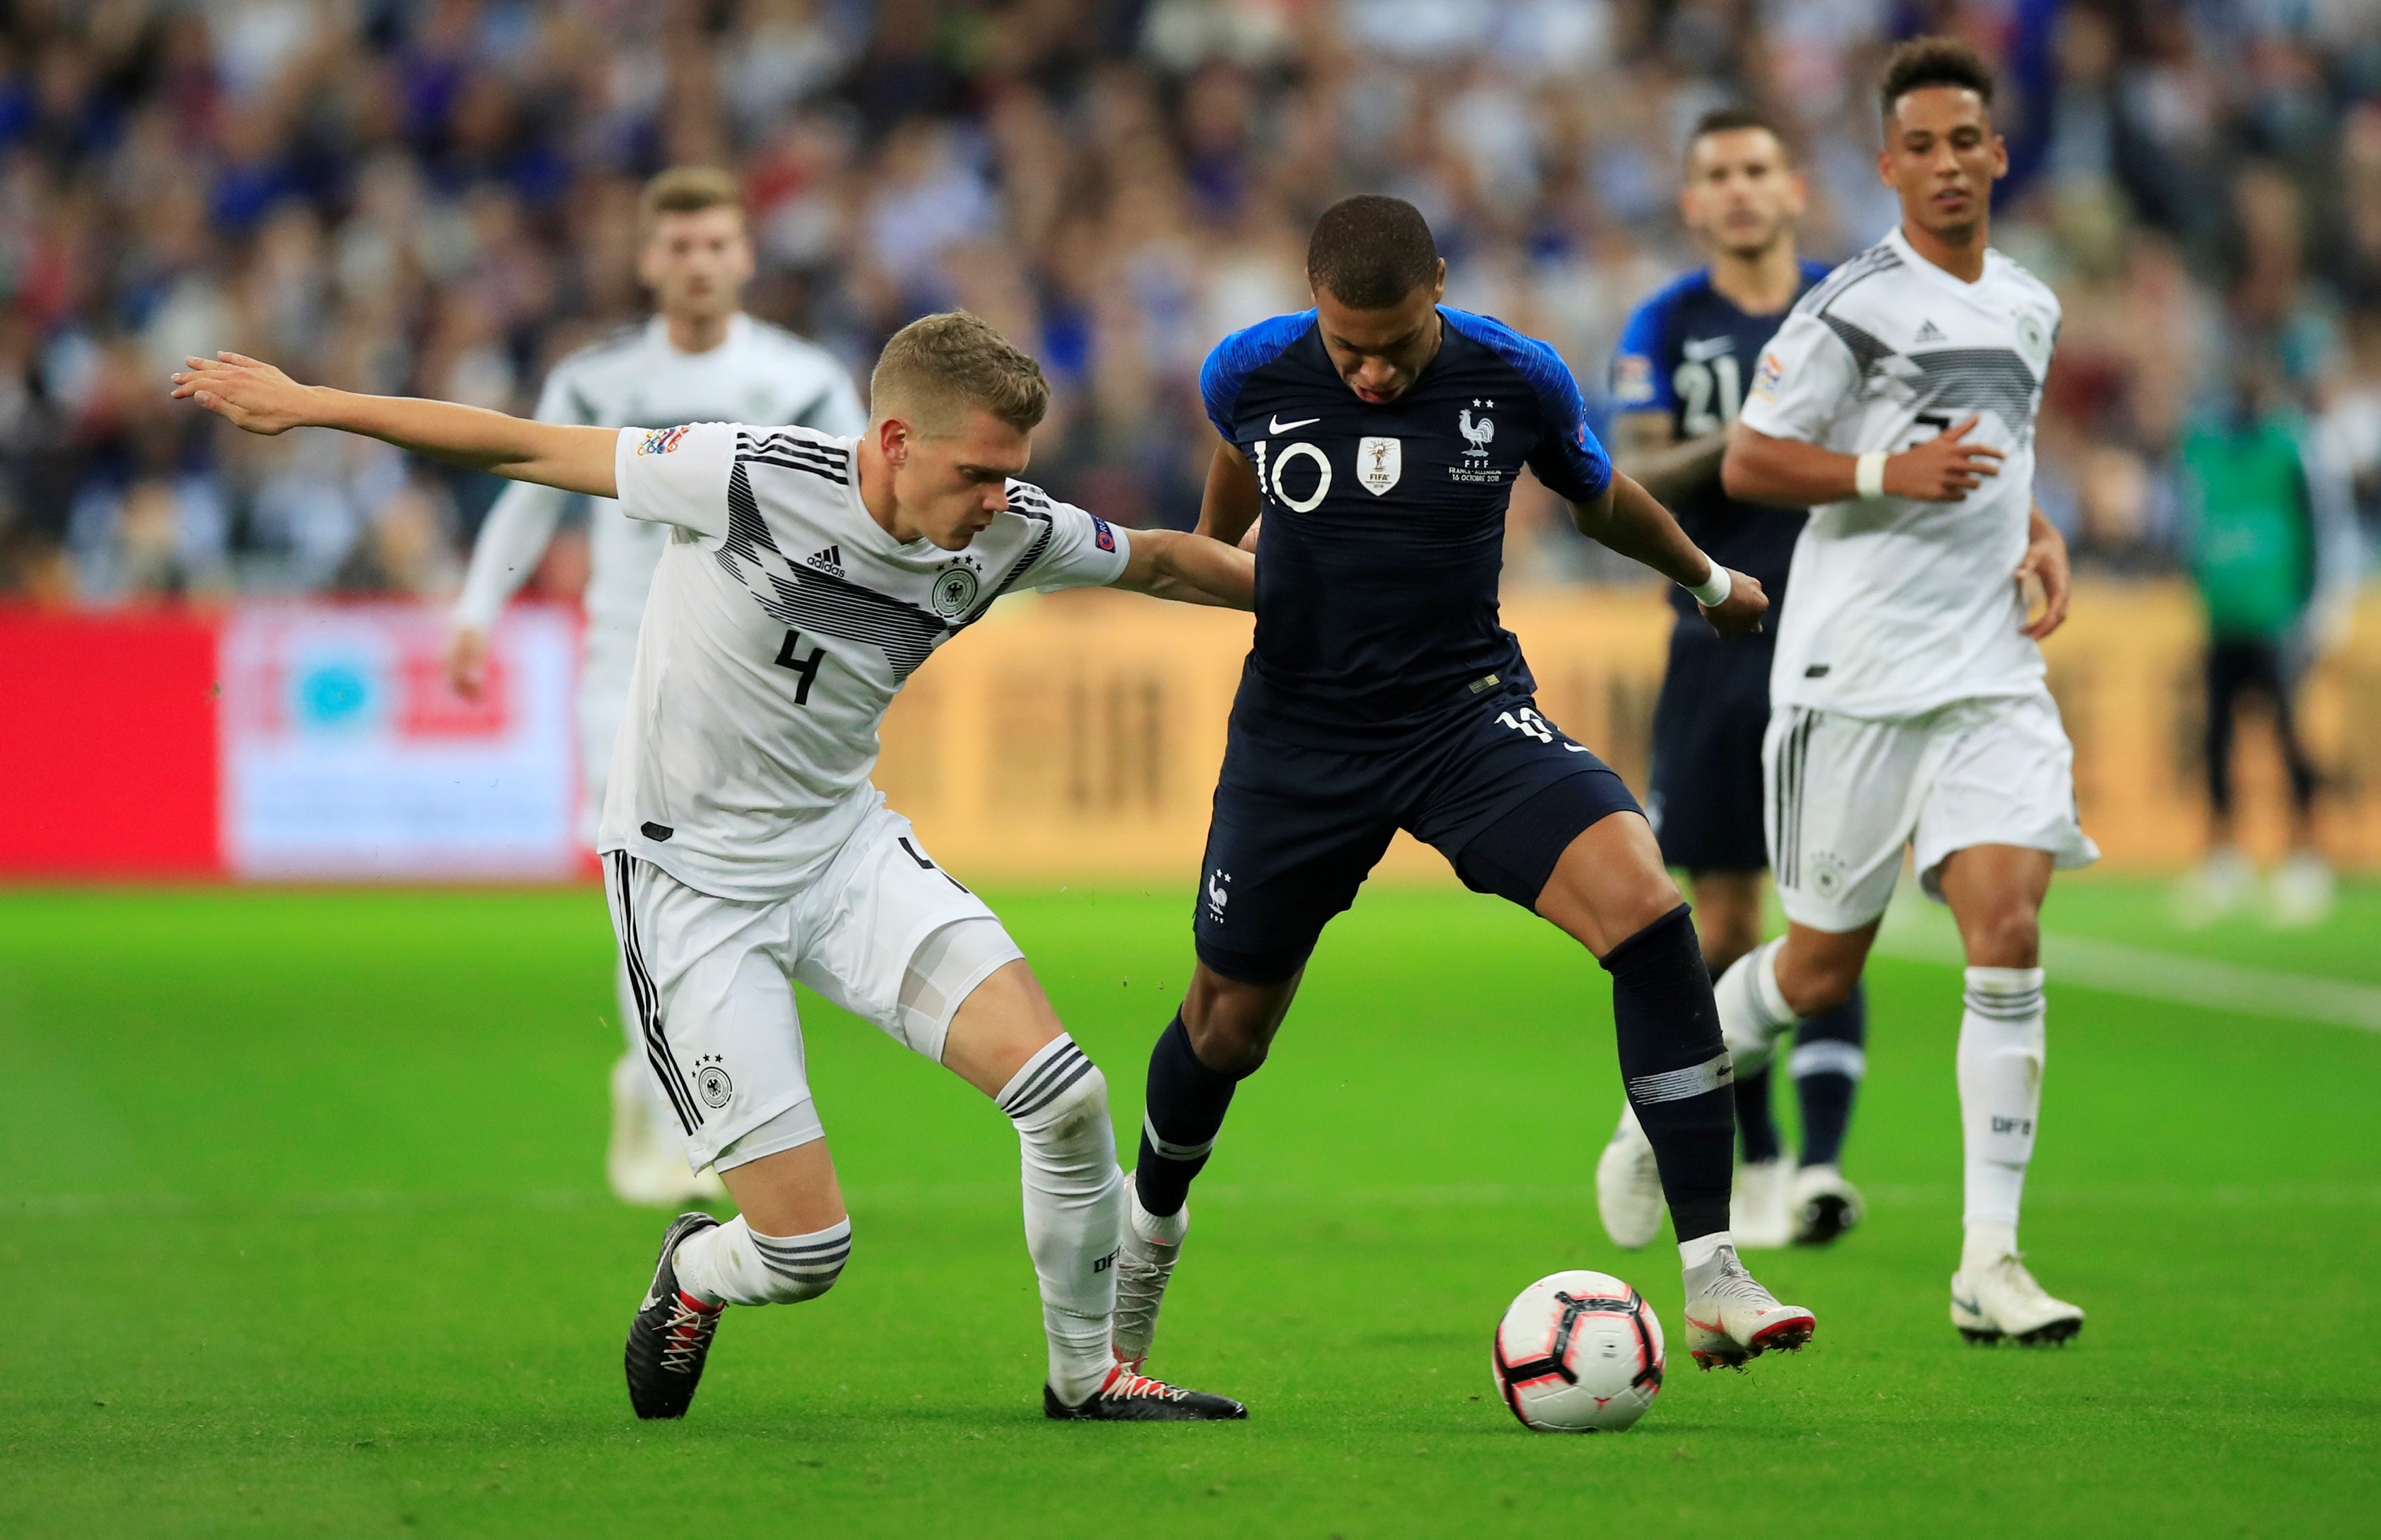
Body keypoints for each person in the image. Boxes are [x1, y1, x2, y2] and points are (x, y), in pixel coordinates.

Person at [173, 312, 1252, 1424]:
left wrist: (1359, 597)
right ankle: (695, 1269)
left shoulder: (1011, 530)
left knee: (1067, 1098)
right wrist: (314, 403)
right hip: (691, 889)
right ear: (891, 440)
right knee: (806, 1250)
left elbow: (1166, 558)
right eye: (977, 471)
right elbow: (523, 446)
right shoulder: (745, 475)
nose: (996, 498)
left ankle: (1086, 1376)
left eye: (1011, 474)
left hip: (843, 853)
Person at [1111, 193, 1816, 1392]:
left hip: (1464, 714)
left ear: (1439, 284)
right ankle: (1142, 1243)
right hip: (1300, 740)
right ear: (1311, 304)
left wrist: (1705, 576)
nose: (1375, 371)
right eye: (1350, 349)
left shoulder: (1515, 374)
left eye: (1398, 342)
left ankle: (1712, 1271)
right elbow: (1224, 517)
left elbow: (1596, 496)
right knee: (1228, 1026)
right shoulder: (1249, 371)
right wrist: (1251, 579)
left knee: (1648, 909)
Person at [1716, 37, 2095, 1345]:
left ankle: (1990, 1258)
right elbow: (1755, 462)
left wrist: (2033, 527)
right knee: (1818, 969)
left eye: (1965, 143)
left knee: (2009, 931)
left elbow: (1999, 451)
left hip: (1989, 669)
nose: (1946, 166)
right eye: (1919, 147)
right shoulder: (1847, 308)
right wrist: (1887, 476)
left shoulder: (2032, 303)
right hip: (1855, 673)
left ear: (1997, 152)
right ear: (1887, 167)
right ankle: (1660, 1105)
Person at [446, 167, 868, 1210]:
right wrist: (475, 611)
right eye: (678, 247)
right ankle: (681, 1105)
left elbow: (860, 511)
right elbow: (528, 495)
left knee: (743, 892)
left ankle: (670, 1083)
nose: (697, 265)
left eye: (716, 245)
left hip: (757, 684)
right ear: (648, 261)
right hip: (623, 672)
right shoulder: (596, 381)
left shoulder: (802, 378)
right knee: (652, 895)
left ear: (746, 257)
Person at [1599, 106, 1869, 1254]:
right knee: (1726, 915)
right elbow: (1633, 467)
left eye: (1761, 166)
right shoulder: (1667, 321)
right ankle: (1752, 1156)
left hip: (1847, 634)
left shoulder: (1848, 309)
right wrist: (1752, 437)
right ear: (1693, 201)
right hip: (1718, 640)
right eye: (1720, 173)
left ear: (1795, 185)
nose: (1744, 188)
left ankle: (1817, 1166)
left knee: (1833, 897)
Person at [2174, 354, 2361, 928]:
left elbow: (2322, 525)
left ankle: (2307, 855)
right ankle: (2224, 856)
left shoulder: (2291, 447)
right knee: (2217, 739)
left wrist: (2322, 607)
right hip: (2223, 616)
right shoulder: (2203, 447)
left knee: (2288, 737)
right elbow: (2191, 520)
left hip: (2278, 618)